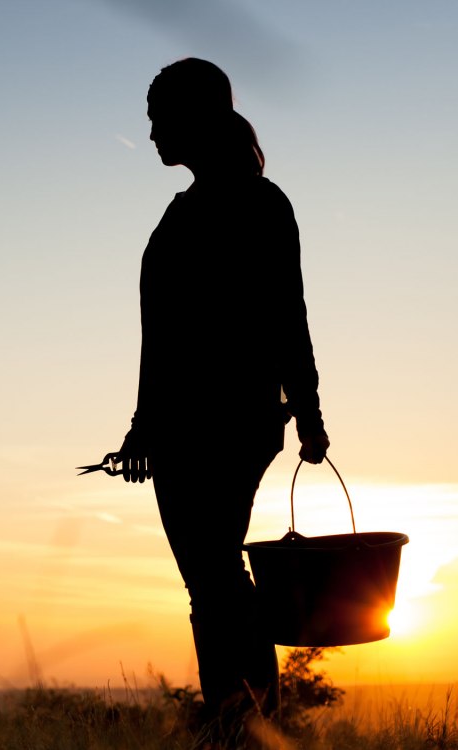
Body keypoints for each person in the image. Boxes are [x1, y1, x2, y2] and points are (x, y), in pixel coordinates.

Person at [106, 57, 330, 721]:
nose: (150, 135)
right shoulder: (190, 214)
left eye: (157, 119)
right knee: (212, 580)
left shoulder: (258, 206)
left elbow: (289, 318)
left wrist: (311, 415)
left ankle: (245, 722)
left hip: (228, 423)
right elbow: (163, 341)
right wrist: (144, 428)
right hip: (188, 427)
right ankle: (242, 722)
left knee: (214, 578)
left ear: (193, 117)